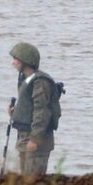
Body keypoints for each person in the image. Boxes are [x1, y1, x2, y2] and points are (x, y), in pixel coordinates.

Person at [7, 42, 62, 177]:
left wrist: (35, 139)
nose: (12, 63)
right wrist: (14, 113)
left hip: (36, 138)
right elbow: (29, 109)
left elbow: (42, 112)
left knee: (34, 180)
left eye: (16, 59)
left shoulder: (40, 82)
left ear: (25, 61)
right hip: (24, 135)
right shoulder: (26, 79)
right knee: (25, 179)